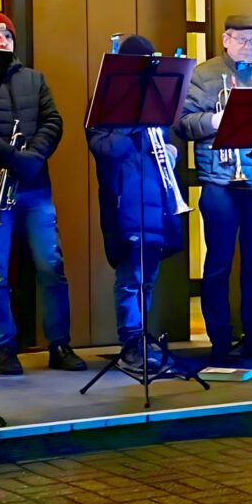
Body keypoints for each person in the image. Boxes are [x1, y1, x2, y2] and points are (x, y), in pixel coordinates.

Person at [0, 12, 87, 375]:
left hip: (34, 185)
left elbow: (54, 121)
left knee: (52, 265)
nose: (3, 41)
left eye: (8, 36)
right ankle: (4, 348)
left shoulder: (35, 79)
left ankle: (60, 345)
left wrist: (32, 158)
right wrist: (12, 158)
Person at [178, 14, 252, 360]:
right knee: (219, 262)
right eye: (241, 40)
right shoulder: (203, 74)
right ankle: (220, 339)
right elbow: (184, 123)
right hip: (220, 182)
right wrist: (215, 119)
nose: (248, 47)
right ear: (226, 39)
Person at [86, 35, 185, 372]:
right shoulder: (104, 103)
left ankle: (143, 339)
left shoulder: (158, 101)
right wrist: (135, 121)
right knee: (131, 277)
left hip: (157, 201)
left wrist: (172, 153)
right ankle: (131, 343)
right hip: (124, 202)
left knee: (149, 278)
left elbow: (164, 146)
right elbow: (106, 150)